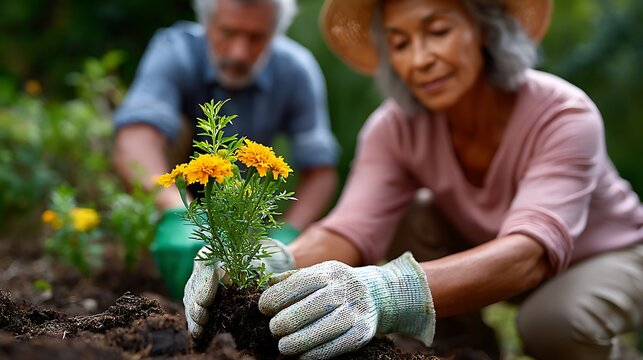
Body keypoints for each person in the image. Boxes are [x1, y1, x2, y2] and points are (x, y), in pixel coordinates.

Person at [183, 0, 643, 359]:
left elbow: (528, 255)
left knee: (551, 324)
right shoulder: (395, 127)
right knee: (411, 219)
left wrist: (384, 291)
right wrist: (272, 260)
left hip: (605, 254)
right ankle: (465, 352)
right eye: (400, 43)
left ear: (485, 29)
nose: (419, 59)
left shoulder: (563, 114)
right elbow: (351, 229)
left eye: (437, 32)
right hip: (490, 250)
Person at [112, 0, 339, 300]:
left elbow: (320, 170)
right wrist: (174, 208)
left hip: (240, 201)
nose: (238, 52)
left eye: (256, 38)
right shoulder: (175, 50)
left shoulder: (296, 68)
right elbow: (134, 139)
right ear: (206, 24)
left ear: (275, 32)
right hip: (179, 193)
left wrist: (289, 234)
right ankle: (155, 261)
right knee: (172, 128)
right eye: (228, 33)